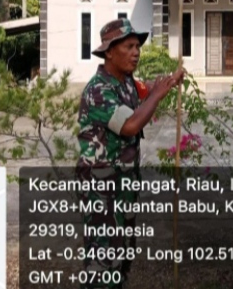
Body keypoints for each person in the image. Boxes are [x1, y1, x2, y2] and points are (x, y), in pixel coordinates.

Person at [76, 18, 184, 288]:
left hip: (123, 189)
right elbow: (131, 125)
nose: (136, 52)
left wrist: (170, 80)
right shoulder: (99, 90)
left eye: (138, 46)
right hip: (102, 191)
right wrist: (157, 96)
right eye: (129, 46)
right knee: (102, 266)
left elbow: (146, 87)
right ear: (109, 52)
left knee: (122, 258)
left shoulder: (125, 83)